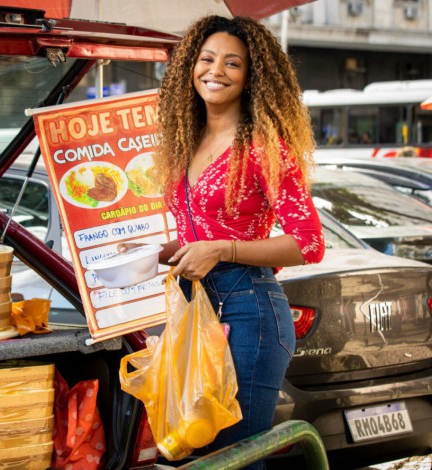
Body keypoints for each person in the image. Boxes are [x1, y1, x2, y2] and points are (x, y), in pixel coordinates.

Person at [119, 16, 325, 468]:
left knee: (236, 458)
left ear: (252, 78)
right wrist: (164, 251)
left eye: (233, 63)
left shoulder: (265, 148)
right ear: (189, 66)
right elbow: (208, 230)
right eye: (206, 58)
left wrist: (221, 250)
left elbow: (309, 243)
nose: (216, 70)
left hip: (250, 311)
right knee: (195, 455)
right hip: (198, 310)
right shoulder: (187, 140)